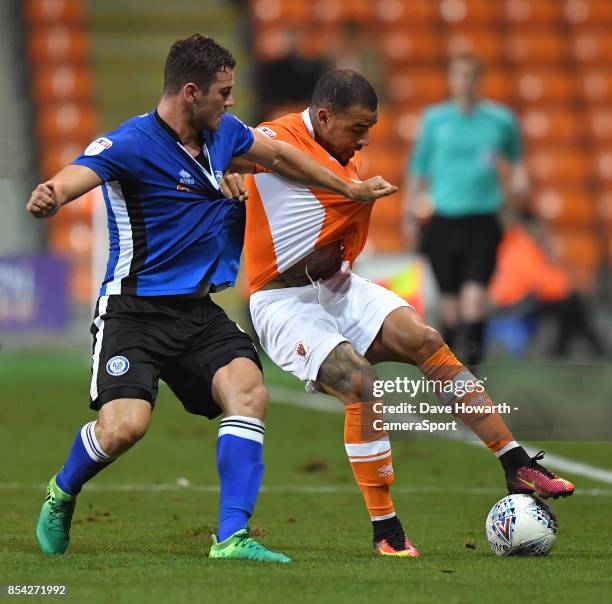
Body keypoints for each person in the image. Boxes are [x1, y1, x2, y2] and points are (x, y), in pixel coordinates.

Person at [26, 35, 396, 563]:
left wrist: (349, 189)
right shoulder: (132, 142)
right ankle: (62, 490)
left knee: (248, 392)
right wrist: (53, 194)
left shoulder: (224, 136)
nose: (230, 101)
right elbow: (82, 171)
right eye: (223, 92)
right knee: (125, 427)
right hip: (133, 311)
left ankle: (231, 537)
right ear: (191, 92)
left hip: (197, 310)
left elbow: (281, 157)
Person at [239, 70, 574, 558]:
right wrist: (230, 171)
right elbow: (234, 149)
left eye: (370, 127)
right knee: (361, 383)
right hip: (282, 300)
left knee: (424, 338)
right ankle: (386, 530)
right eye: (357, 127)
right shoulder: (276, 137)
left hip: (338, 285)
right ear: (325, 117)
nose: (366, 138)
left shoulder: (347, 150)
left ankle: (516, 462)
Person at [404, 53, 530, 371]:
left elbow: (516, 161)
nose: (465, 82)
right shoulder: (435, 120)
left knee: (474, 300)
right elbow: (418, 169)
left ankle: (471, 378)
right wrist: (408, 212)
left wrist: (518, 183)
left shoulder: (499, 120)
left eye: (471, 76)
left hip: (483, 220)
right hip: (444, 221)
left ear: (479, 80)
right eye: (459, 75)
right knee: (450, 310)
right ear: (451, 80)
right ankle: (448, 373)